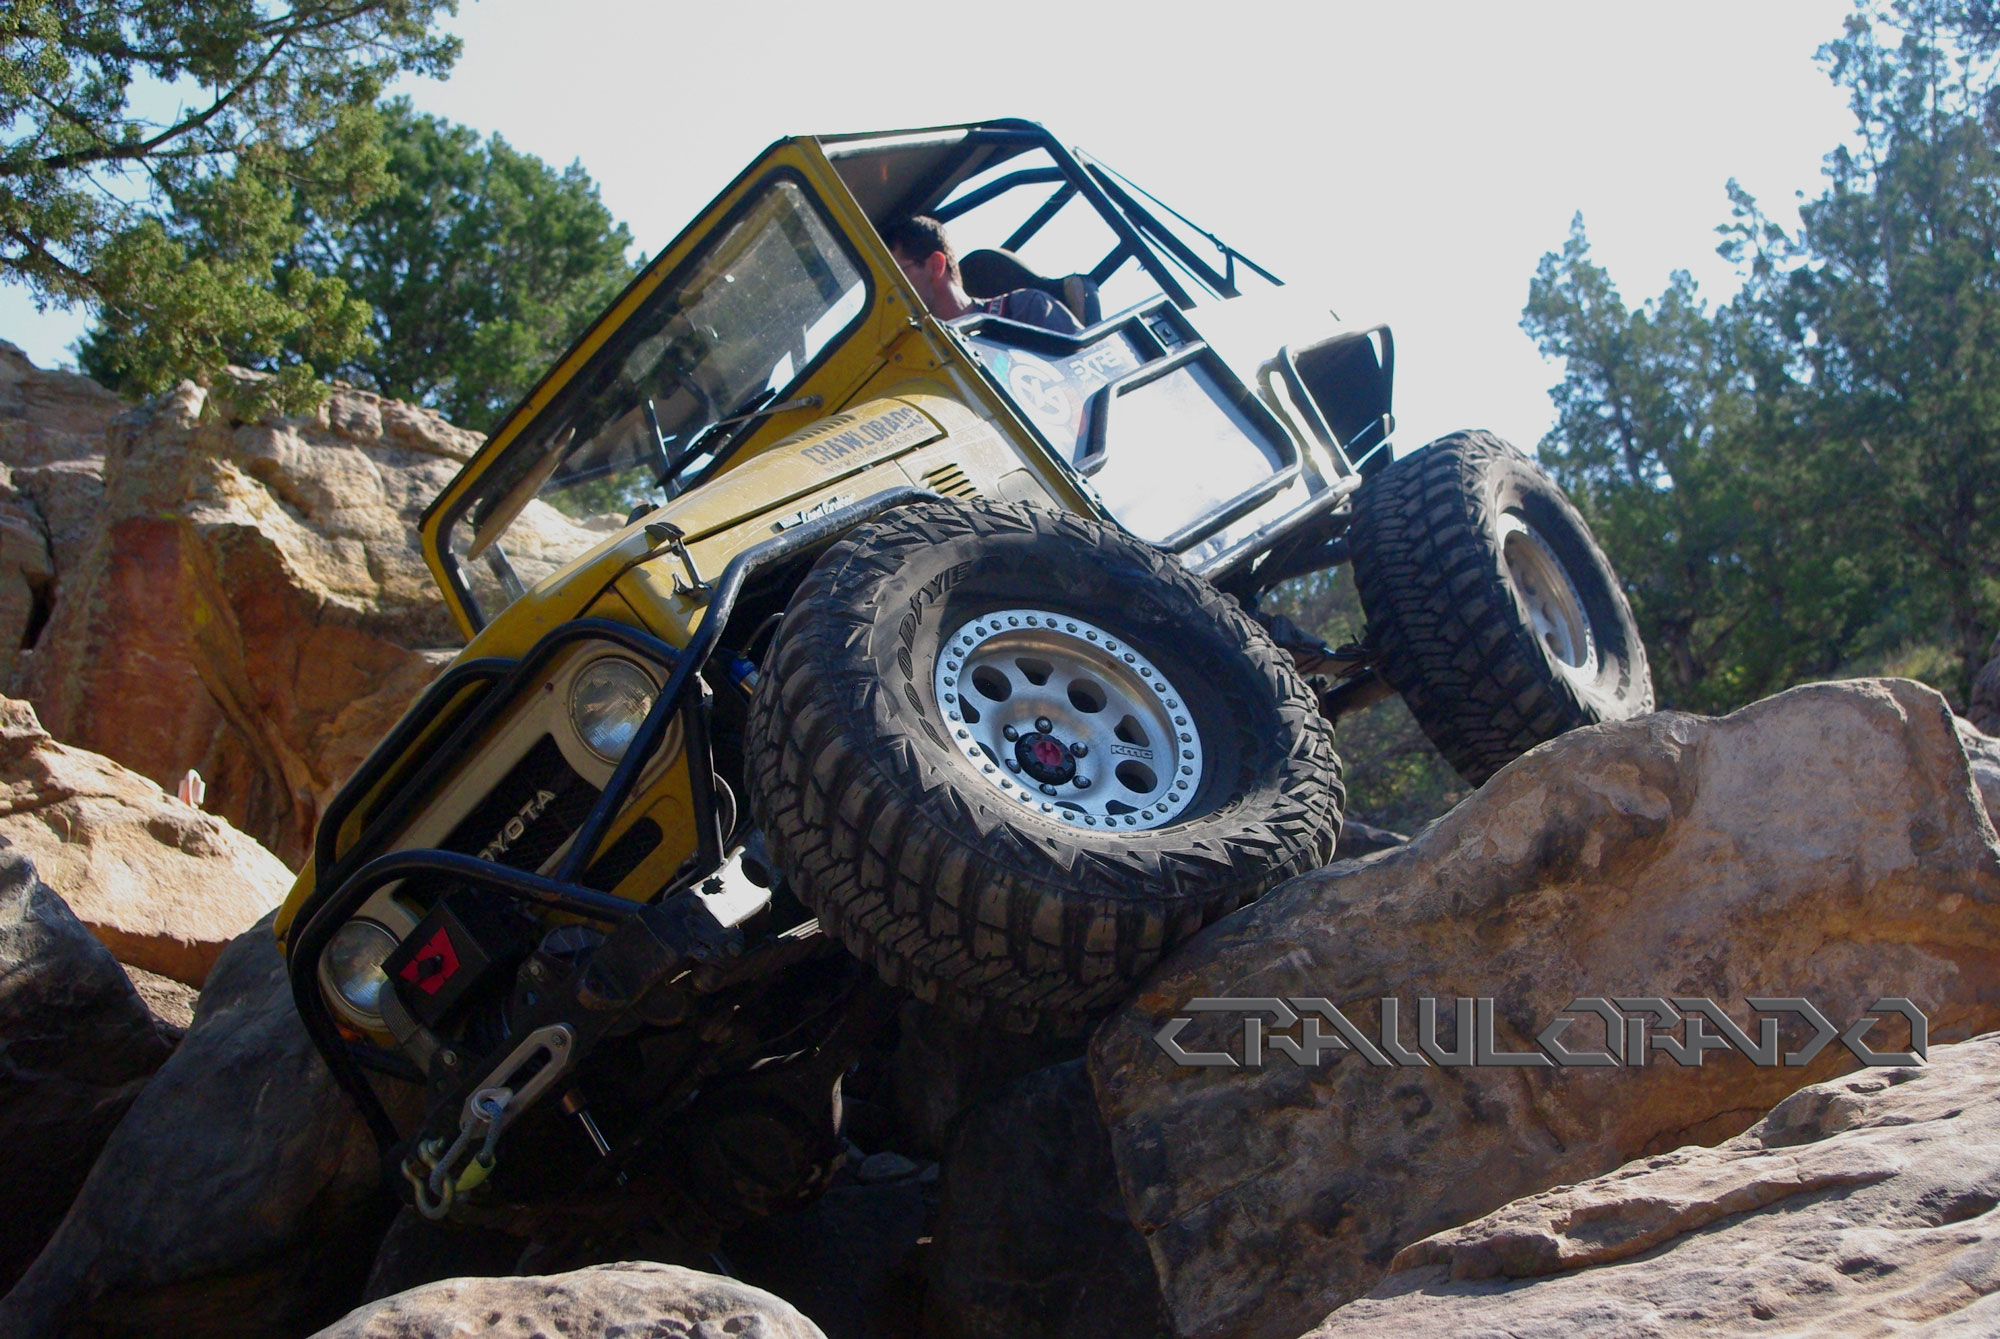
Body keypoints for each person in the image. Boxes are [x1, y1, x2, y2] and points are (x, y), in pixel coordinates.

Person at [884, 215, 1083, 335]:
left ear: (936, 265)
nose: (889, 289)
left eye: (896, 274)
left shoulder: (1026, 309)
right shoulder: (915, 357)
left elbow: (1086, 374)